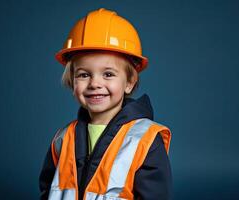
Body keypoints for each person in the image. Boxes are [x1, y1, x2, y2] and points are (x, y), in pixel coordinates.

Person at [39, 8, 172, 200]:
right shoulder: (63, 138)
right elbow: (47, 189)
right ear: (72, 82)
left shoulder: (145, 140)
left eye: (108, 74)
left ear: (129, 83)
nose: (95, 84)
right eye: (84, 75)